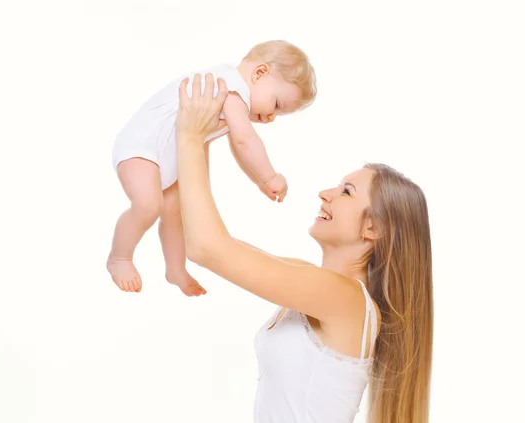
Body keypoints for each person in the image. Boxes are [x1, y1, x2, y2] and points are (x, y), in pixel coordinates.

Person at [175, 74, 433, 423]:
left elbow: (207, 248)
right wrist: (203, 138)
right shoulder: (311, 281)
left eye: (346, 192)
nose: (326, 193)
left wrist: (189, 137)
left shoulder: (344, 298)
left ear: (374, 227)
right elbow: (213, 242)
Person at [107, 40, 316, 296]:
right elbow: (244, 140)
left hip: (168, 157)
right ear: (260, 73)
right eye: (277, 105)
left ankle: (175, 269)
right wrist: (270, 176)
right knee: (149, 205)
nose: (271, 117)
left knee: (176, 212)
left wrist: (258, 181)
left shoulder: (233, 96)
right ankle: (120, 258)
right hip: (141, 148)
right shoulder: (231, 87)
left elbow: (238, 146)